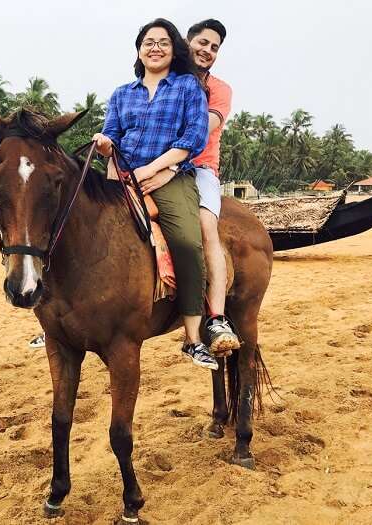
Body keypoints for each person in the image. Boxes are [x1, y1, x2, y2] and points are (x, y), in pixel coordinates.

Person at [90, 18, 216, 369]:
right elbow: (112, 134)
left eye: (163, 41)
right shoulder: (121, 94)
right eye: (148, 41)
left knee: (188, 243)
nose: (155, 47)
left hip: (170, 178)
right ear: (139, 50)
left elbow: (193, 138)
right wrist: (104, 144)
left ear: (174, 49)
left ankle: (192, 336)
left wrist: (153, 169)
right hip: (122, 179)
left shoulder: (187, 87)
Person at [186, 19, 240, 353]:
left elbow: (204, 127)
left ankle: (216, 315)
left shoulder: (219, 89)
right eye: (203, 43)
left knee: (207, 227)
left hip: (199, 167)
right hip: (153, 165)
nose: (207, 50)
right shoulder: (167, 80)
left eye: (214, 47)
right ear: (187, 42)